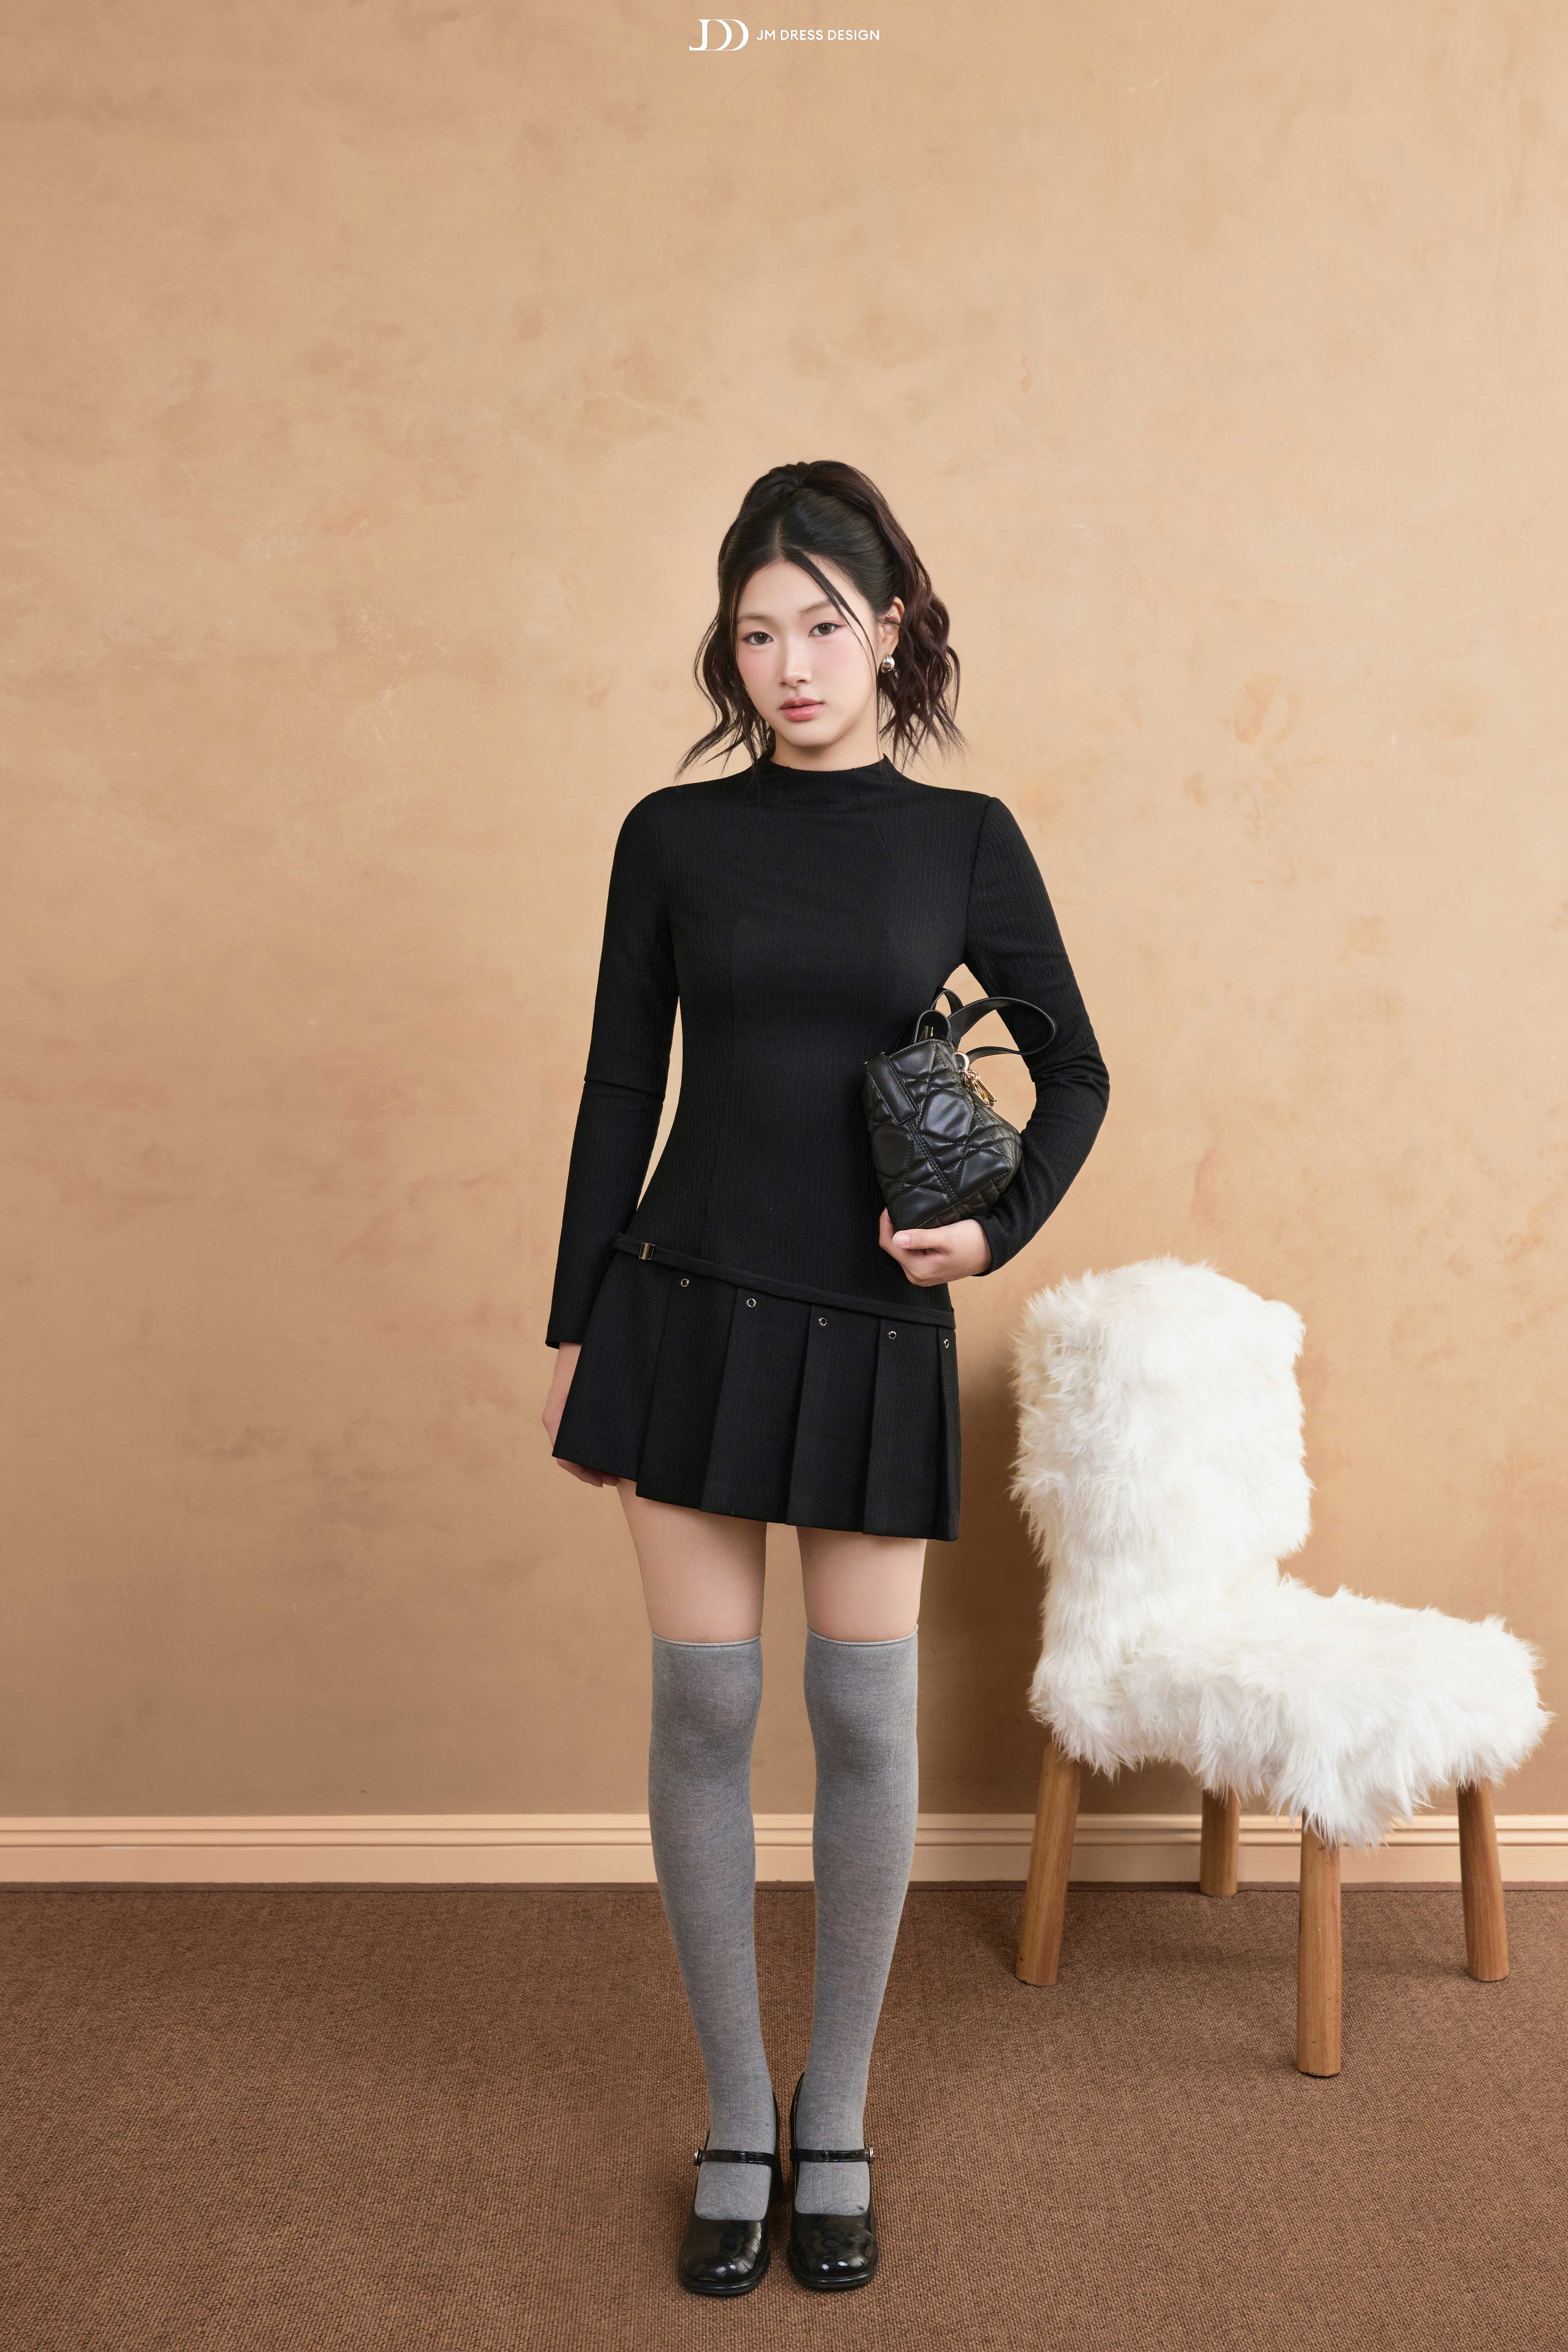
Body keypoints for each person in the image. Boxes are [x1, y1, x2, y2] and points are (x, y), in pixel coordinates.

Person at [540, 459, 1109, 2297]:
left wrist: (992, 1232)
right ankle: (734, 2114)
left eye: (825, 626)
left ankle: (836, 2108)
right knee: (704, 1711)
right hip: (685, 1307)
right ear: (730, 648)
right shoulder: (670, 837)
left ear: (894, 630)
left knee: (863, 1726)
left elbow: (1077, 1068)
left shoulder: (965, 838)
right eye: (757, 632)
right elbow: (619, 1086)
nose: (791, 666)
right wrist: (575, 1328)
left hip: (870, 1327)